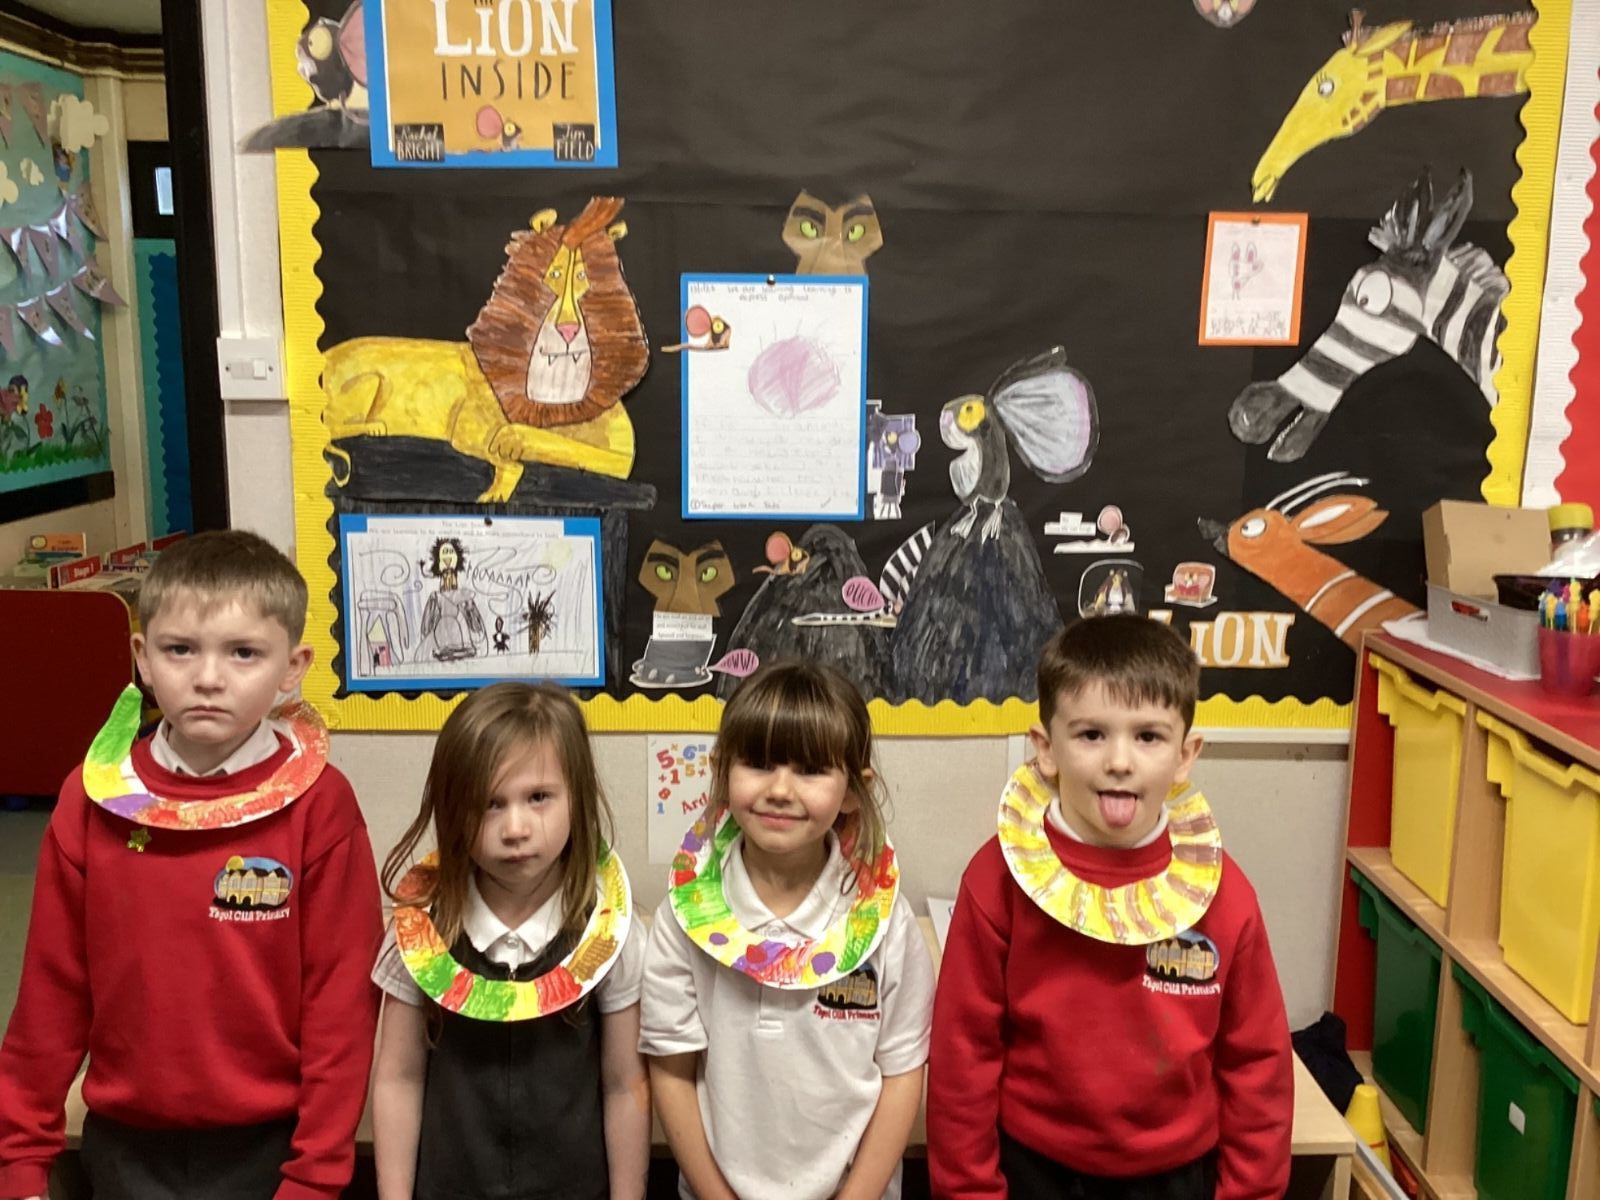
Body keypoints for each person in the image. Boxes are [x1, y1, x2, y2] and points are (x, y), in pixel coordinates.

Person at [0, 529, 383, 1200]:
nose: (208, 678)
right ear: (142, 659)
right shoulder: (90, 800)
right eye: (180, 649)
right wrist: (21, 1161)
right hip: (126, 1146)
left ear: (293, 667)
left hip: (272, 1151)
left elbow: (341, 1006)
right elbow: (51, 994)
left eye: (243, 653)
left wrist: (317, 1174)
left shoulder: (320, 807)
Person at [929, 614, 1292, 1199]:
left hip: (1174, 1175)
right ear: (1045, 749)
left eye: (1148, 737)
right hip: (1034, 1170)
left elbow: (1258, 1064)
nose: (1119, 760)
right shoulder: (995, 882)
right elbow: (961, 1058)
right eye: (1092, 734)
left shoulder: (1226, 896)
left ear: (1185, 755)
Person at [641, 661, 934, 1200]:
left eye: (811, 770)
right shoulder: (684, 917)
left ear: (854, 790)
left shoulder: (884, 923)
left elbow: (902, 1073)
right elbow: (672, 1072)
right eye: (758, 763)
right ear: (722, 771)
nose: (780, 789)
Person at [370, 682, 650, 1200]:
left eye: (538, 797)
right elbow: (398, 1079)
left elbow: (623, 1085)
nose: (515, 828)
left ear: (577, 796)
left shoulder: (610, 932)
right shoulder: (420, 928)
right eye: (489, 804)